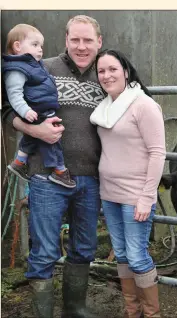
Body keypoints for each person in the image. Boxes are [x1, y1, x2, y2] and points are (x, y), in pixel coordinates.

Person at [3, 15, 104, 318]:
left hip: (90, 176)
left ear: (99, 42)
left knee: (85, 247)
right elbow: (6, 108)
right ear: (66, 40)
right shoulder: (39, 66)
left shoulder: (108, 72)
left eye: (88, 40)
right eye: (75, 39)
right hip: (47, 176)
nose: (82, 46)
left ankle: (75, 308)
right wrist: (34, 131)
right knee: (45, 250)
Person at [90, 49, 166, 318]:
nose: (107, 75)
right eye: (101, 71)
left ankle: (152, 314)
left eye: (112, 69)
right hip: (109, 193)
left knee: (136, 255)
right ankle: (132, 312)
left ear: (125, 71)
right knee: (121, 254)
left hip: (135, 195)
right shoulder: (105, 107)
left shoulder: (142, 105)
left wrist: (147, 197)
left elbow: (157, 152)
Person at [2, 23, 76, 188]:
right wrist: (25, 111)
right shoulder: (16, 69)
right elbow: (14, 94)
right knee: (52, 137)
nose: (40, 49)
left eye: (41, 46)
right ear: (17, 46)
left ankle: (19, 162)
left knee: (32, 137)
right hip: (35, 109)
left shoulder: (34, 65)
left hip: (40, 108)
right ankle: (59, 170)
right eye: (35, 45)